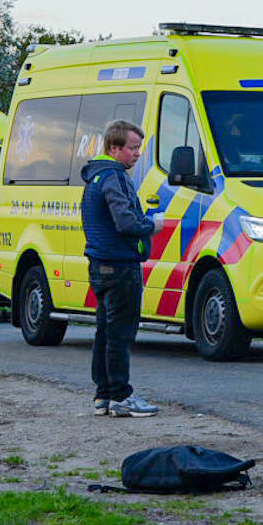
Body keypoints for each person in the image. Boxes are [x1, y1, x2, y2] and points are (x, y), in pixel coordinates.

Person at [80, 119, 166, 418]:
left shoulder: (95, 177)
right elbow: (125, 222)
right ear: (114, 148)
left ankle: (102, 395)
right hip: (119, 265)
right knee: (120, 333)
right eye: (132, 148)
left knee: (104, 331)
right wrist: (151, 226)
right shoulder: (114, 177)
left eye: (138, 147)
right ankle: (121, 395)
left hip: (99, 264)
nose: (137, 154)